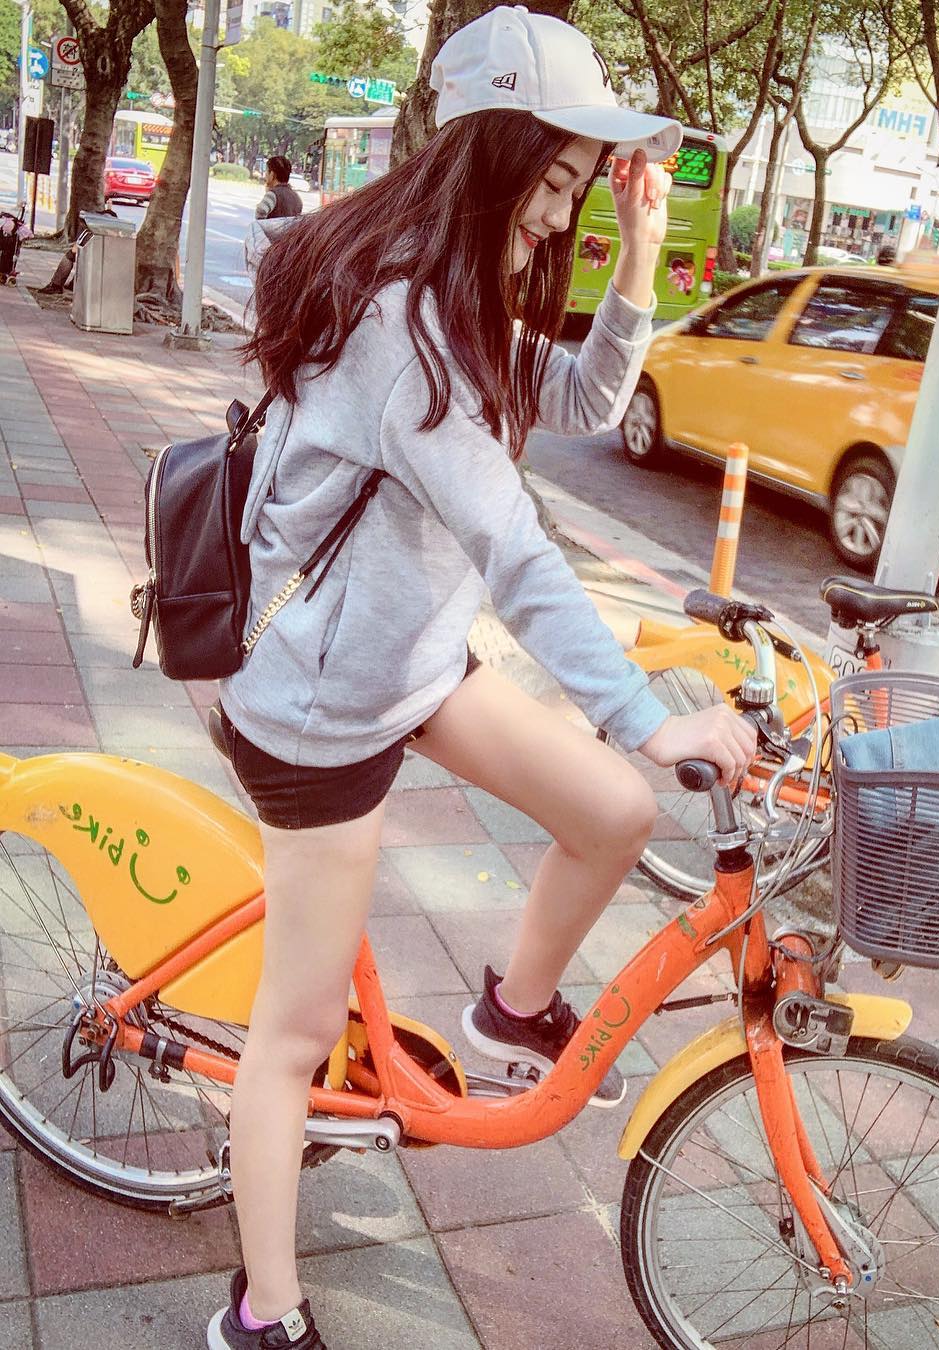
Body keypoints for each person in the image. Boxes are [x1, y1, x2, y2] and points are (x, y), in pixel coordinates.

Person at [206, 9, 757, 1348]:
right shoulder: (404, 321)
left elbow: (579, 402)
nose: (559, 212)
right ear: (490, 157)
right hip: (319, 709)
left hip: (409, 664)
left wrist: (637, 258)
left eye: (578, 185)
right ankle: (262, 1313)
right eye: (553, 181)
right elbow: (515, 546)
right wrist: (646, 715)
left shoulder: (459, 298)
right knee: (293, 1035)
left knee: (613, 812)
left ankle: (509, 1012)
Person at [254, 155, 303, 221]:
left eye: (267, 171)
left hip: (273, 228)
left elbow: (260, 212)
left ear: (272, 174)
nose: (265, 175)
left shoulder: (272, 195)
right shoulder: (297, 197)